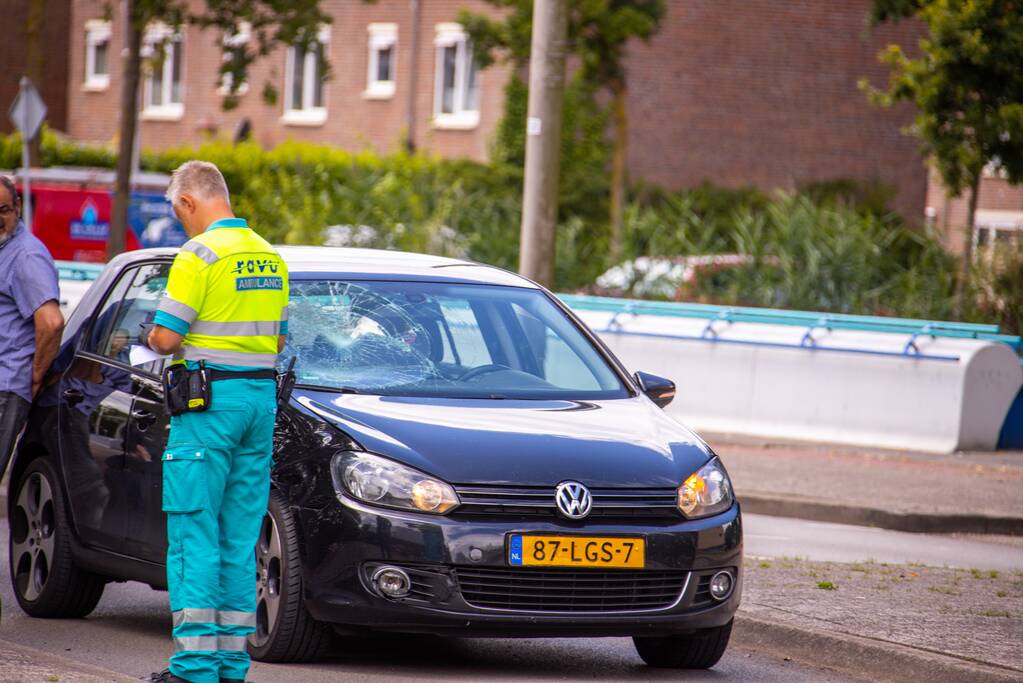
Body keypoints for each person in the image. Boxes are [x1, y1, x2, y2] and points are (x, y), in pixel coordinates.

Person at [142, 161, 289, 683]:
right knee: (237, 536)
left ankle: (194, 667)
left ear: (188, 202)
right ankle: (230, 663)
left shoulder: (198, 254)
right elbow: (276, 341)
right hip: (258, 406)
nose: (181, 222)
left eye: (177, 212)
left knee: (193, 533)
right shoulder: (270, 256)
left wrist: (151, 331)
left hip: (208, 409)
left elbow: (164, 338)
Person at [0, 173, 63, 486]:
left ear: (18, 207)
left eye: (3, 211)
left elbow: (51, 322)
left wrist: (36, 375)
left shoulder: (26, 255)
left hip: (6, 384)